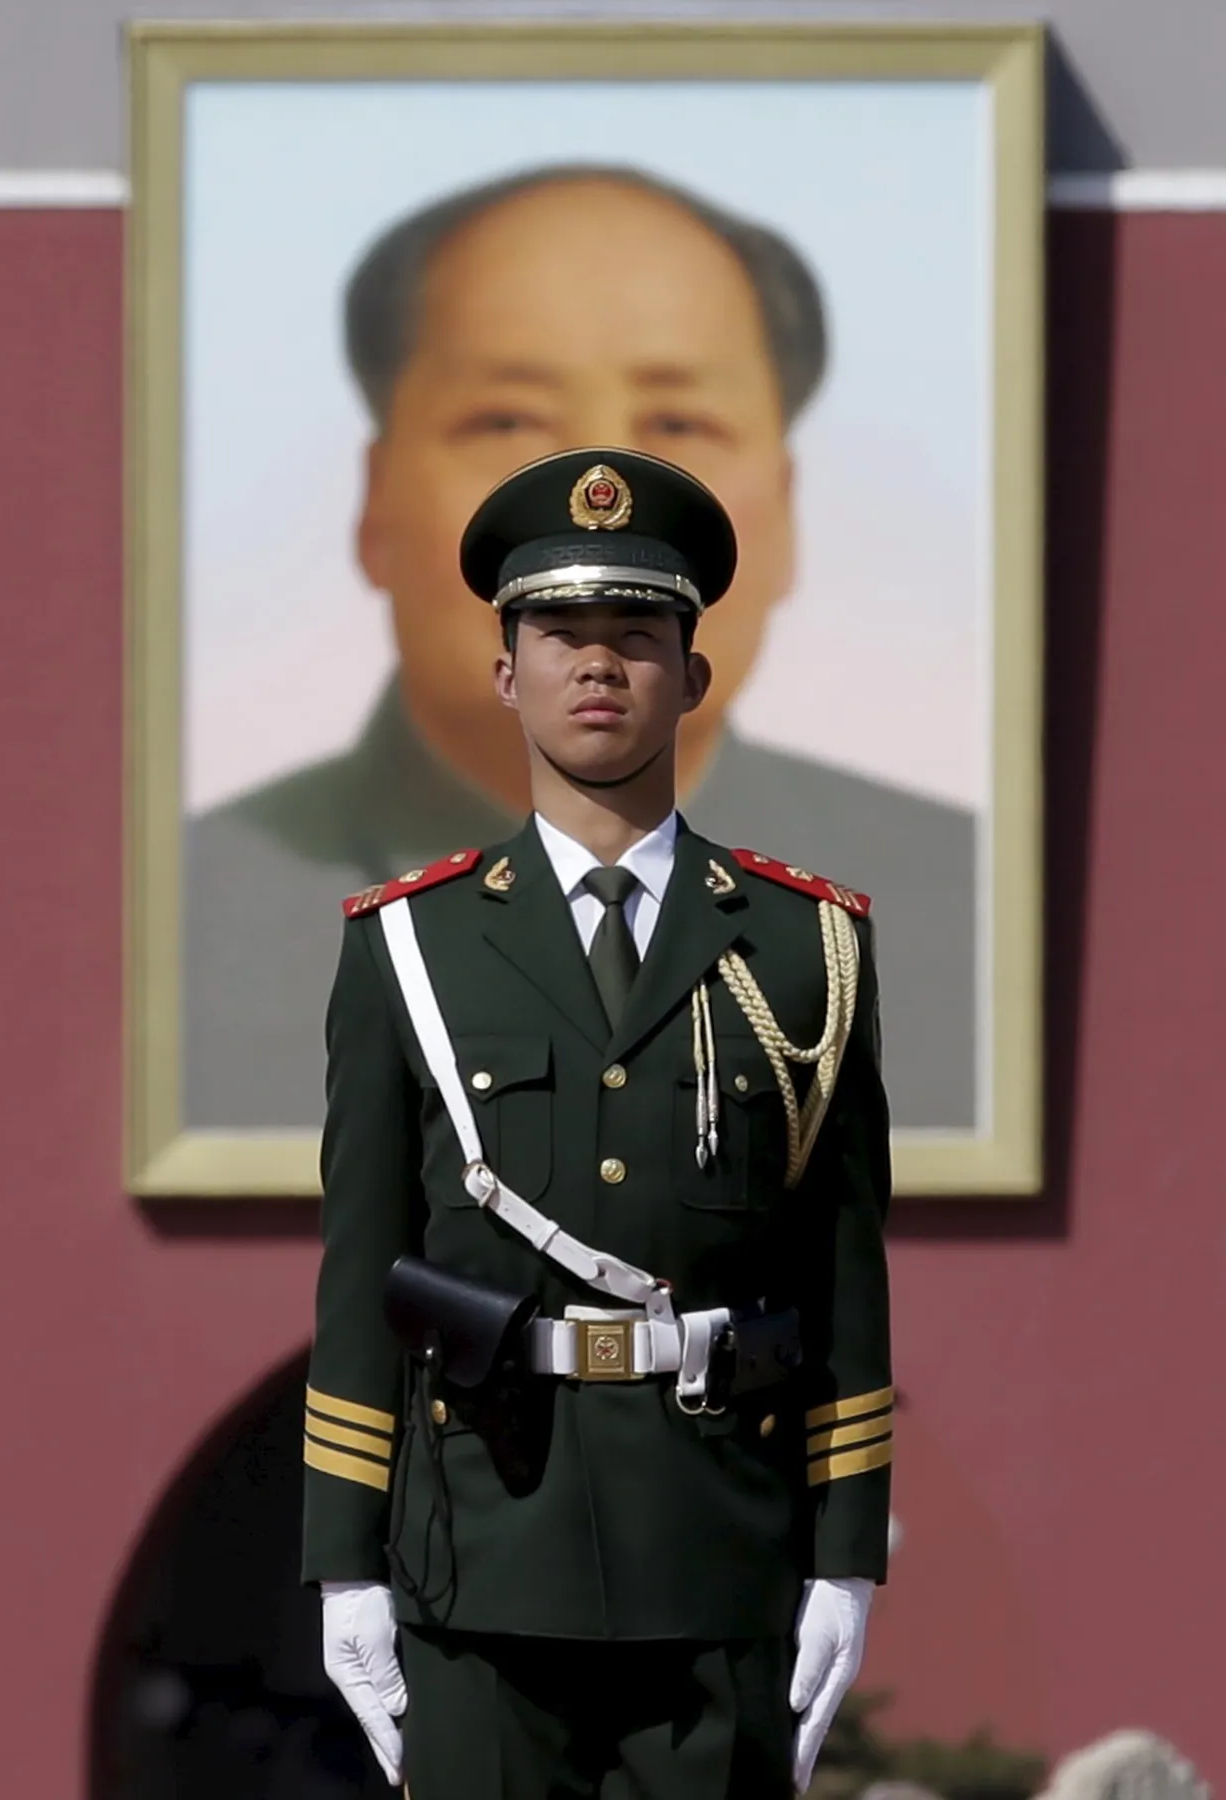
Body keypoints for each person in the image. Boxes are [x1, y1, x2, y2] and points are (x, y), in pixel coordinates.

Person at [303, 448, 892, 1798]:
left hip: (722, 1555)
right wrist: (343, 1563)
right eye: (562, 633)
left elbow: (843, 1269)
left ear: (694, 673)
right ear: (506, 671)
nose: (599, 665)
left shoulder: (809, 946)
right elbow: (361, 1271)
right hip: (479, 1558)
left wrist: (846, 1555)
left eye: (636, 633)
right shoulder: (408, 945)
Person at [182, 163, 975, 1135]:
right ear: (376, 500)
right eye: (506, 418)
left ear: (786, 506)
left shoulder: (929, 911)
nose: (601, 486)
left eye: (680, 421)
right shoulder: (206, 911)